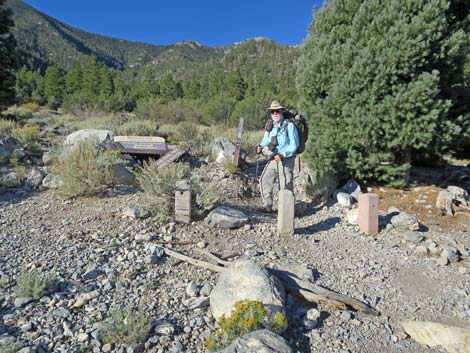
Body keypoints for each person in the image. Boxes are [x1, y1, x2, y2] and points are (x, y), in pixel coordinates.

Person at [256, 100, 299, 212]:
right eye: (272, 111)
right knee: (264, 180)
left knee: (285, 185)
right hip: (273, 158)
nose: (275, 113)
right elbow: (266, 139)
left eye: (277, 111)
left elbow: (294, 144)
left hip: (286, 160)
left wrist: (283, 154)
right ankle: (268, 205)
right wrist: (260, 146)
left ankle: (287, 211)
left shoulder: (289, 126)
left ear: (281, 112)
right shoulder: (270, 126)